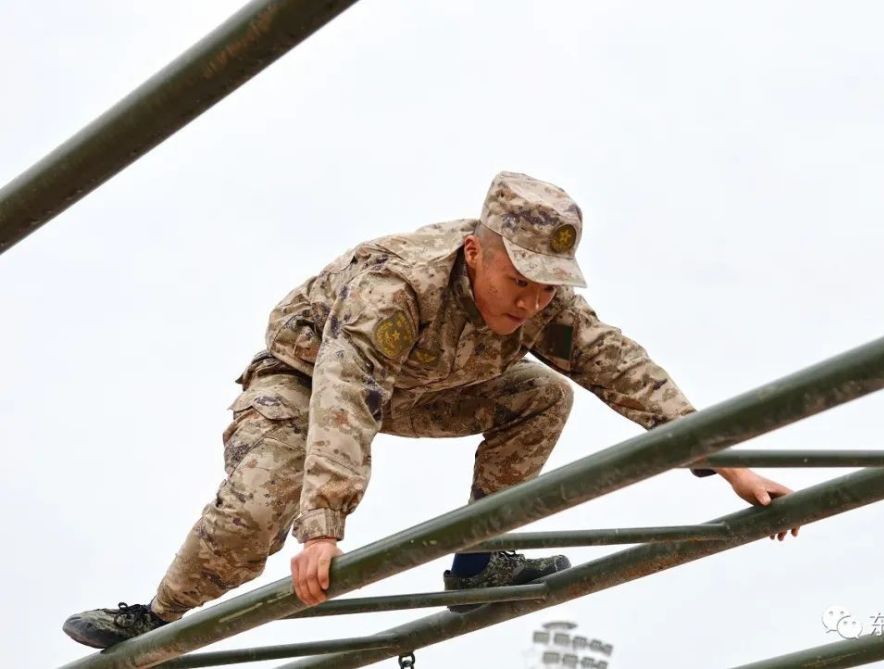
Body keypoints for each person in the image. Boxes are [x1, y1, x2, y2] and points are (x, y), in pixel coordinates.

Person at [63, 171, 799, 648]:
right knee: (263, 503)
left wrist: (727, 459)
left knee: (543, 393)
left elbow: (623, 367)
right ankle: (153, 620)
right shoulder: (399, 286)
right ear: (476, 253)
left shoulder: (545, 303)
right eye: (520, 280)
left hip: (419, 388)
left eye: (548, 285)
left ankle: (475, 565)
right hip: (303, 377)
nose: (533, 300)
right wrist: (323, 528)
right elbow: (346, 393)